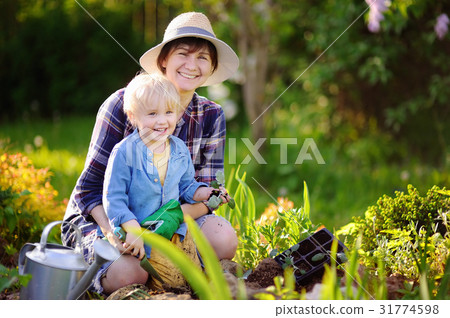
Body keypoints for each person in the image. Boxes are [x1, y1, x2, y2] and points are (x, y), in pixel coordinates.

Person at [62, 11, 239, 295]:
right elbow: (89, 191)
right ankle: (104, 277)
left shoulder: (211, 114)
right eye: (183, 53)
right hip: (105, 217)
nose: (192, 65)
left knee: (223, 238)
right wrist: (118, 233)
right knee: (129, 273)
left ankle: (178, 280)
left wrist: (163, 226)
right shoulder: (123, 103)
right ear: (164, 60)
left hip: (171, 217)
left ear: (212, 67)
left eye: (203, 57)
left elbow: (206, 191)